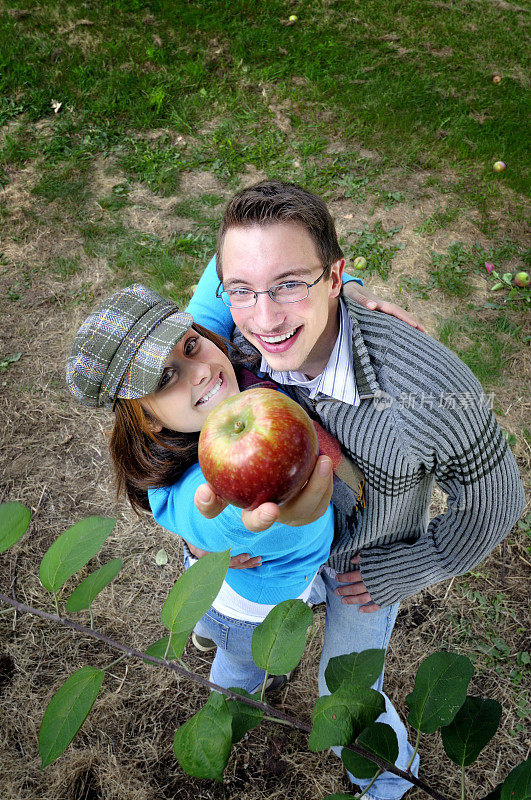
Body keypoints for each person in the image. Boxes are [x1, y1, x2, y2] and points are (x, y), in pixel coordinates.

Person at [186, 179, 526, 799]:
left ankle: (386, 784)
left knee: (341, 697)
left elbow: (497, 500)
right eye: (244, 291)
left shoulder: (425, 390)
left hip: (363, 561)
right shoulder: (227, 347)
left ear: (336, 275)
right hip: (279, 550)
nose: (265, 318)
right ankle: (227, 658)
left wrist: (407, 566)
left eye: (291, 283)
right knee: (239, 644)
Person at [66, 283, 338, 695]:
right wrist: (248, 504)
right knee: (243, 666)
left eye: (190, 346)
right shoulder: (193, 484)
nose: (201, 371)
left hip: (223, 587)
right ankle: (227, 701)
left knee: (212, 623)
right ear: (148, 420)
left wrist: (340, 286)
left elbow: (226, 267)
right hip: (253, 613)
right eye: (165, 378)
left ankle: (207, 633)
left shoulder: (215, 363)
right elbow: (216, 517)